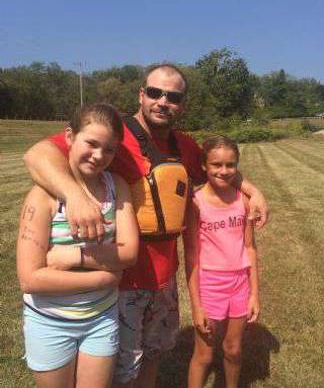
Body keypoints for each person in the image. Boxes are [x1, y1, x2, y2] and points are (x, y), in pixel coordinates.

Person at [24, 64, 268, 388]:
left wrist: (253, 191)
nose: (162, 101)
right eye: (155, 92)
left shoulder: (185, 146)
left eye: (173, 96)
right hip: (123, 281)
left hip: (165, 279)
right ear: (141, 94)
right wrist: (75, 196)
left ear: (182, 104)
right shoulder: (113, 138)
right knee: (121, 368)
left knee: (153, 356)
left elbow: (220, 170)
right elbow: (37, 154)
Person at [17, 103, 139, 388]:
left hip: (101, 319)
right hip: (50, 322)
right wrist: (107, 277)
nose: (99, 156)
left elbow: (130, 253)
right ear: (70, 137)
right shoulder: (43, 196)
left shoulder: (116, 187)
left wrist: (73, 255)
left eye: (109, 149)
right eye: (92, 144)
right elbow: (31, 279)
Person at [184, 135, 260, 388]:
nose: (224, 171)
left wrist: (254, 295)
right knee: (204, 355)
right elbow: (191, 255)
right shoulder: (194, 204)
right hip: (209, 286)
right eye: (216, 164)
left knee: (233, 349)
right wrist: (196, 306)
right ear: (204, 165)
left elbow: (250, 248)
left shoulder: (244, 201)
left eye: (230, 165)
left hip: (239, 284)